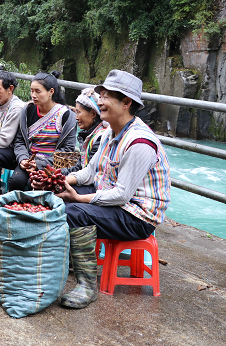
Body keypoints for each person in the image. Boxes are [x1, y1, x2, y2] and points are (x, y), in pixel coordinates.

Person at [38, 70, 170, 309]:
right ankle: (73, 259)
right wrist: (66, 182)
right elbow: (90, 171)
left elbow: (121, 195)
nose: (100, 101)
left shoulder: (140, 143)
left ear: (127, 103)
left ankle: (87, 285)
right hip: (118, 202)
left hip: (137, 216)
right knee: (59, 199)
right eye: (100, 95)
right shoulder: (110, 131)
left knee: (74, 211)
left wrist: (79, 197)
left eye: (107, 96)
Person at [9, 71, 76, 191]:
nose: (33, 95)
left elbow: (67, 150)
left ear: (51, 91)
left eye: (38, 91)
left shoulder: (65, 115)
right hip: (29, 160)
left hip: (51, 164)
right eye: (31, 91)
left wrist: (41, 164)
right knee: (15, 181)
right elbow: (20, 140)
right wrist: (23, 159)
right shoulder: (28, 111)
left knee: (34, 184)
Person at [61, 88, 106, 176]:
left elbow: (90, 173)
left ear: (93, 114)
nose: (76, 117)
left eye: (79, 112)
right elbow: (79, 166)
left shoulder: (99, 138)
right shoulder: (89, 136)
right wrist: (55, 173)